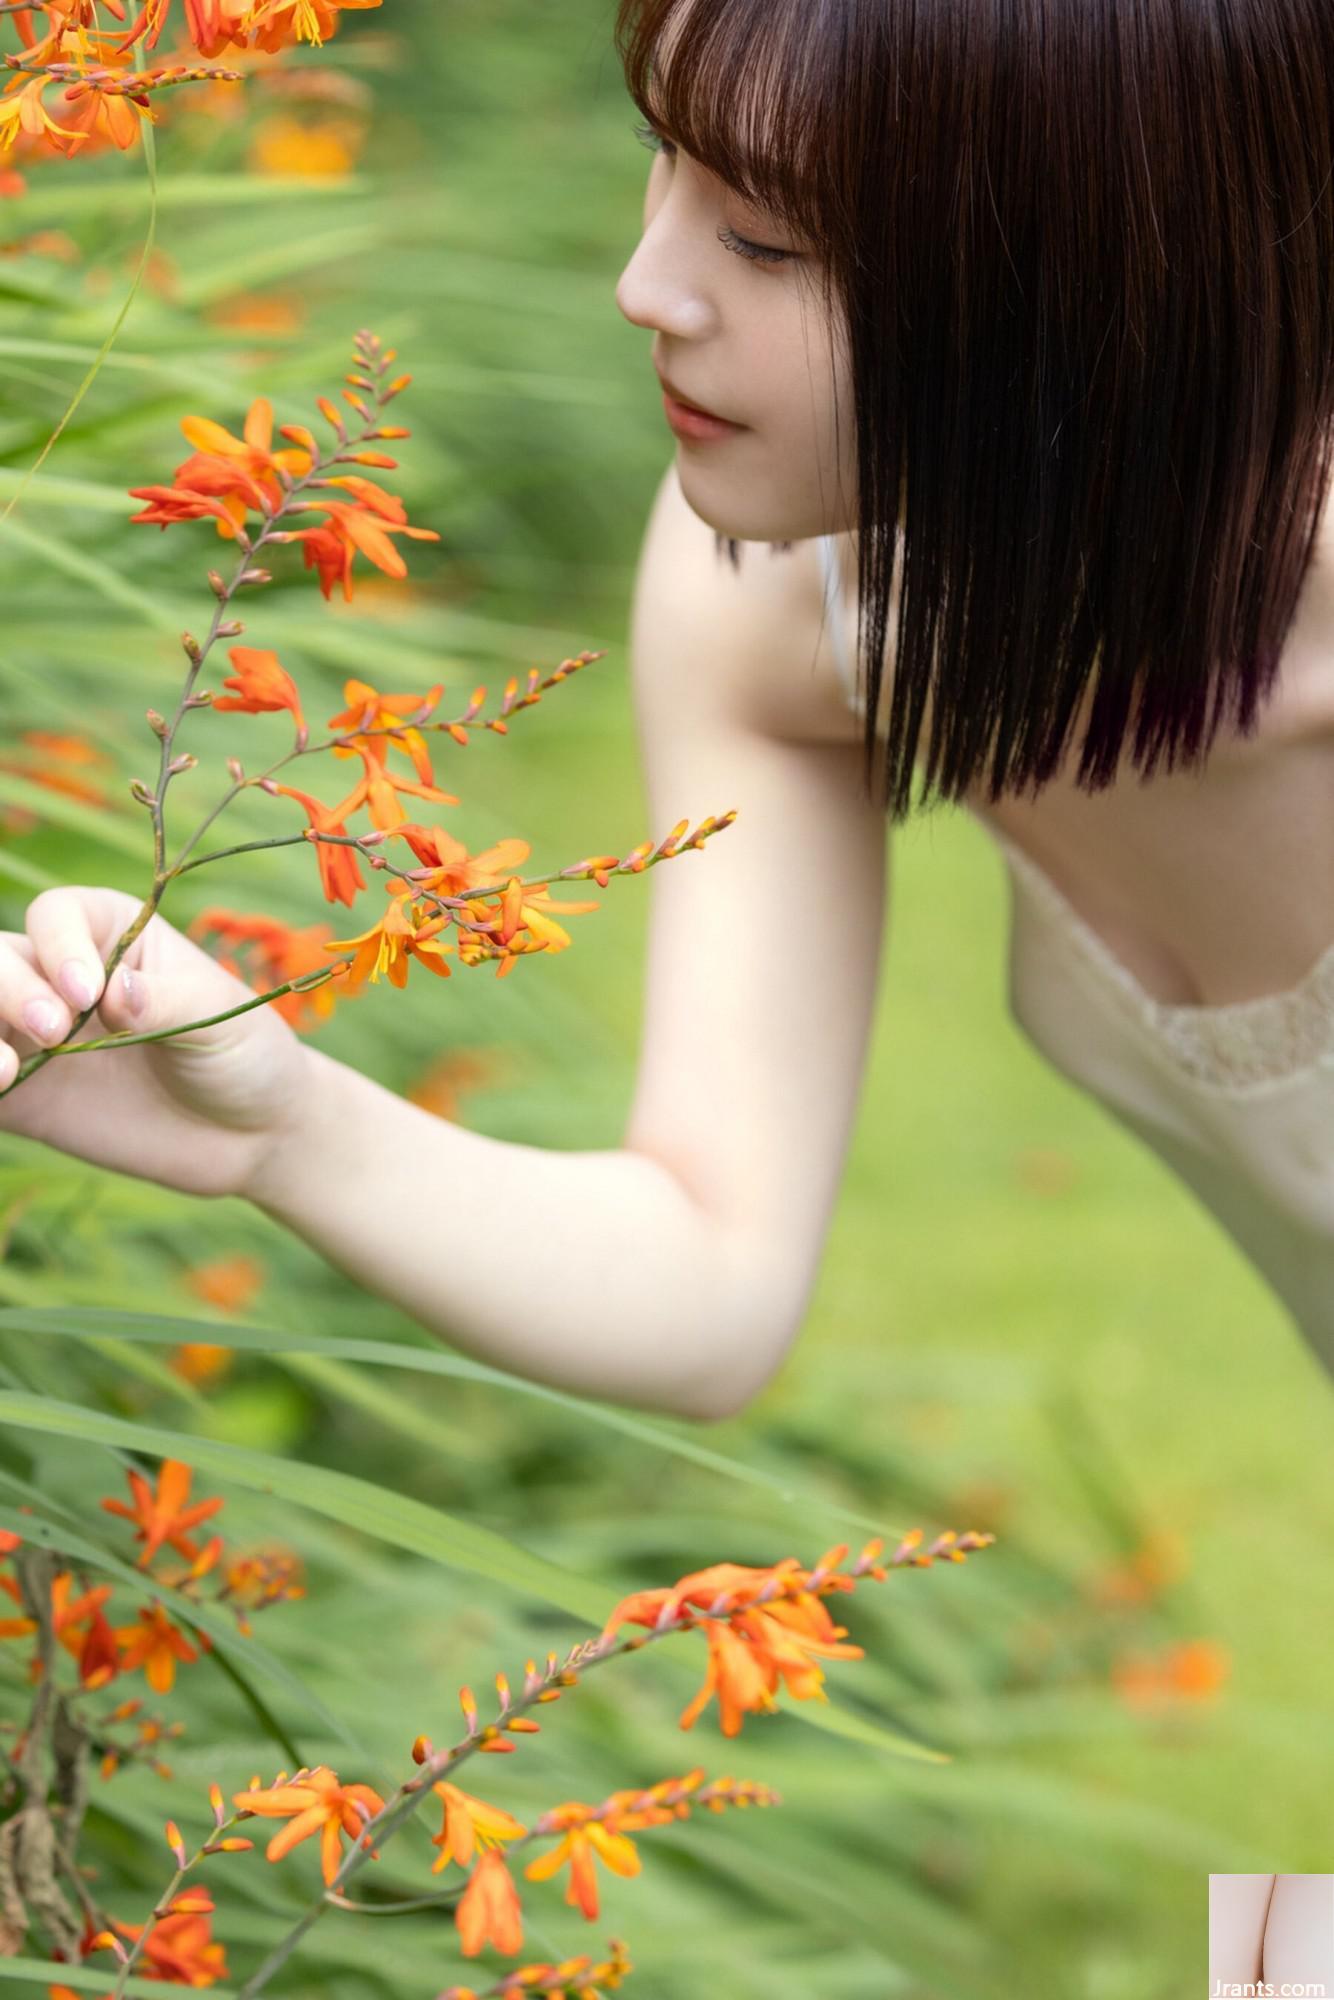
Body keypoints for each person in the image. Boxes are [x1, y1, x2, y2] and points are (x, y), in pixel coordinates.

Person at [0, 0, 1332, 1417]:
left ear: (1106, 275)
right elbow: (707, 1280)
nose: (646, 284)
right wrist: (278, 1126)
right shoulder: (777, 597)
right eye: (666, 153)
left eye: (765, 238)